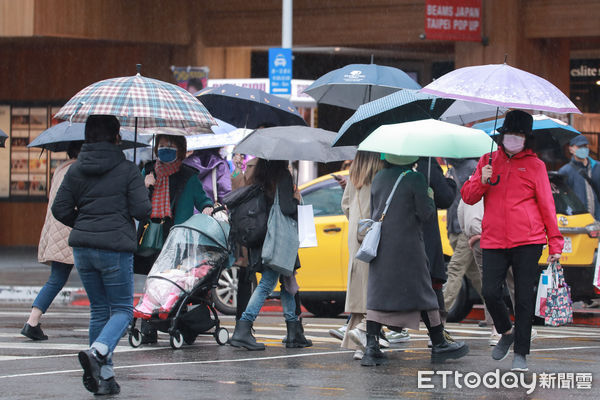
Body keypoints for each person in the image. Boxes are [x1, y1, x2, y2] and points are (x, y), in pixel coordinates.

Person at [52, 115, 151, 395]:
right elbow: (143, 211)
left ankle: (104, 377)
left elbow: (60, 209)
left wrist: (84, 224)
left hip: (83, 249)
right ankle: (97, 353)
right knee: (122, 310)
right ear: (116, 136)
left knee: (99, 310)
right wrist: (141, 187)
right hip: (115, 248)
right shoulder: (127, 169)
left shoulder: (75, 170)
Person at [462, 110, 563, 372]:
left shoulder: (536, 165)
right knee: (490, 292)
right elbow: (469, 197)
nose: (513, 139)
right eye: (510, 134)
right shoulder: (487, 160)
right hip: (493, 239)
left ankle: (521, 352)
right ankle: (506, 332)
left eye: (519, 135)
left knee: (523, 300)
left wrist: (555, 244)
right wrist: (482, 181)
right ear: (502, 135)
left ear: (527, 138)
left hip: (528, 241)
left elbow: (547, 206)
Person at [361, 153, 468, 367]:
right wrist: (428, 195)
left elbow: (375, 209)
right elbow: (425, 213)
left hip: (381, 244)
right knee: (424, 291)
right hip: (409, 245)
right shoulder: (415, 178)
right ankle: (439, 342)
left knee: (378, 292)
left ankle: (371, 347)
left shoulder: (379, 177)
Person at [135, 134, 214, 343]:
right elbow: (136, 203)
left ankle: (177, 323)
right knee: (153, 282)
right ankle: (148, 326)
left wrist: (207, 208)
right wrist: (145, 185)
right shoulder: (148, 171)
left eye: (170, 146)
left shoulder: (188, 176)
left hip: (179, 238)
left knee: (176, 282)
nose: (165, 149)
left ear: (180, 149)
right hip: (153, 235)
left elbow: (204, 200)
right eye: (161, 145)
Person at [229, 158, 312, 350]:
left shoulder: (259, 175)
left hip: (263, 236)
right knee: (268, 283)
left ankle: (294, 332)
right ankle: (243, 329)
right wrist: (296, 199)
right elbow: (287, 208)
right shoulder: (282, 175)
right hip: (278, 239)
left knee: (286, 279)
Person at [21, 141, 83, 341]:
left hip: (57, 231)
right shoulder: (77, 171)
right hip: (72, 230)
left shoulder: (61, 169)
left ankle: (32, 322)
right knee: (98, 275)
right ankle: (113, 321)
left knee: (57, 278)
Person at [339, 151, 386, 360]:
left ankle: (355, 341)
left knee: (359, 285)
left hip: (356, 232)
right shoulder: (380, 171)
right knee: (372, 287)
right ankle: (366, 339)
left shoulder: (354, 170)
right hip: (373, 233)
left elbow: (345, 204)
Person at [415, 157, 457, 343]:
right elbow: (445, 197)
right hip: (425, 232)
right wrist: (450, 181)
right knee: (432, 283)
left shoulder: (388, 166)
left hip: (397, 232)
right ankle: (437, 333)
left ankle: (376, 331)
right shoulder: (428, 165)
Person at [442, 158, 483, 317]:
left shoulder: (471, 167)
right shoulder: (451, 169)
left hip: (465, 229)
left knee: (455, 268)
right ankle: (496, 312)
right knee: (474, 274)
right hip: (453, 228)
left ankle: (440, 312)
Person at [558, 135, 600, 221]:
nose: (583, 149)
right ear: (571, 149)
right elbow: (562, 200)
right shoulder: (565, 171)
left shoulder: (597, 167)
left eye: (585, 146)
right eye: (579, 146)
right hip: (578, 220)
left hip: (598, 219)